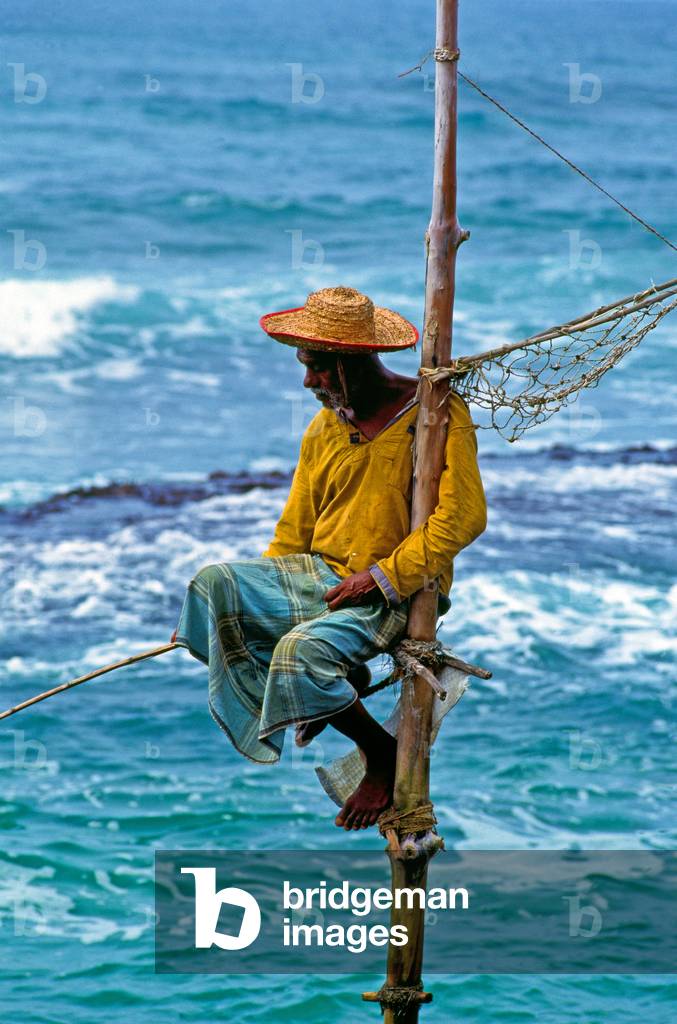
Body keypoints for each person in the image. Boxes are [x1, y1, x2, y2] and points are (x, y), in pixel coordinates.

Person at [173, 286, 487, 830]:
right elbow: (295, 530)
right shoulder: (323, 426)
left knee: (300, 655)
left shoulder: (433, 415)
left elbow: (462, 518)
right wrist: (264, 599)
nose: (308, 382)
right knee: (214, 586)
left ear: (349, 363)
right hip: (322, 576)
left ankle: (379, 754)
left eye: (317, 368)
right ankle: (315, 693)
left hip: (396, 592)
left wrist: (383, 577)